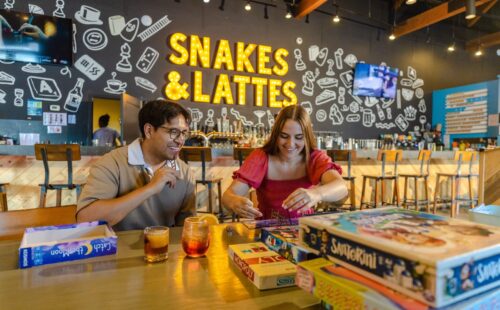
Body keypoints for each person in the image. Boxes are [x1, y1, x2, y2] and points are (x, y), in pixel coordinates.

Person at [77, 100, 196, 230]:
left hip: (164, 248)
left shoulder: (184, 172)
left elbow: (186, 228)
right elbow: (85, 220)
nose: (180, 140)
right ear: (149, 130)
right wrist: (150, 189)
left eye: (184, 133)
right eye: (173, 132)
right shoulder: (112, 163)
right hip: (119, 248)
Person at [222, 105, 348, 220]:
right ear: (275, 135)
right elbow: (227, 196)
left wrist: (316, 194)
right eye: (284, 136)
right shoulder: (261, 157)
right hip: (266, 230)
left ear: (307, 137)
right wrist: (235, 202)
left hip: (305, 229)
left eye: (298, 137)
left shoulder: (314, 157)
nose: (290, 144)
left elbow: (342, 187)